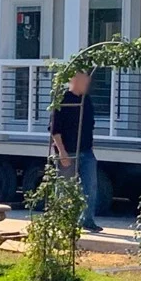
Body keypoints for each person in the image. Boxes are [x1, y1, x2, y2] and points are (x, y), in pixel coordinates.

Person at [49, 70, 101, 231]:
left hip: (86, 151)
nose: (88, 82)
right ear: (75, 79)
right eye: (85, 79)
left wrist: (91, 146)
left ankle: (87, 220)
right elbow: (55, 129)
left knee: (90, 186)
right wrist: (62, 152)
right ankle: (60, 221)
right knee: (64, 188)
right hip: (68, 152)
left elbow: (90, 126)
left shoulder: (87, 101)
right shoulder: (62, 100)